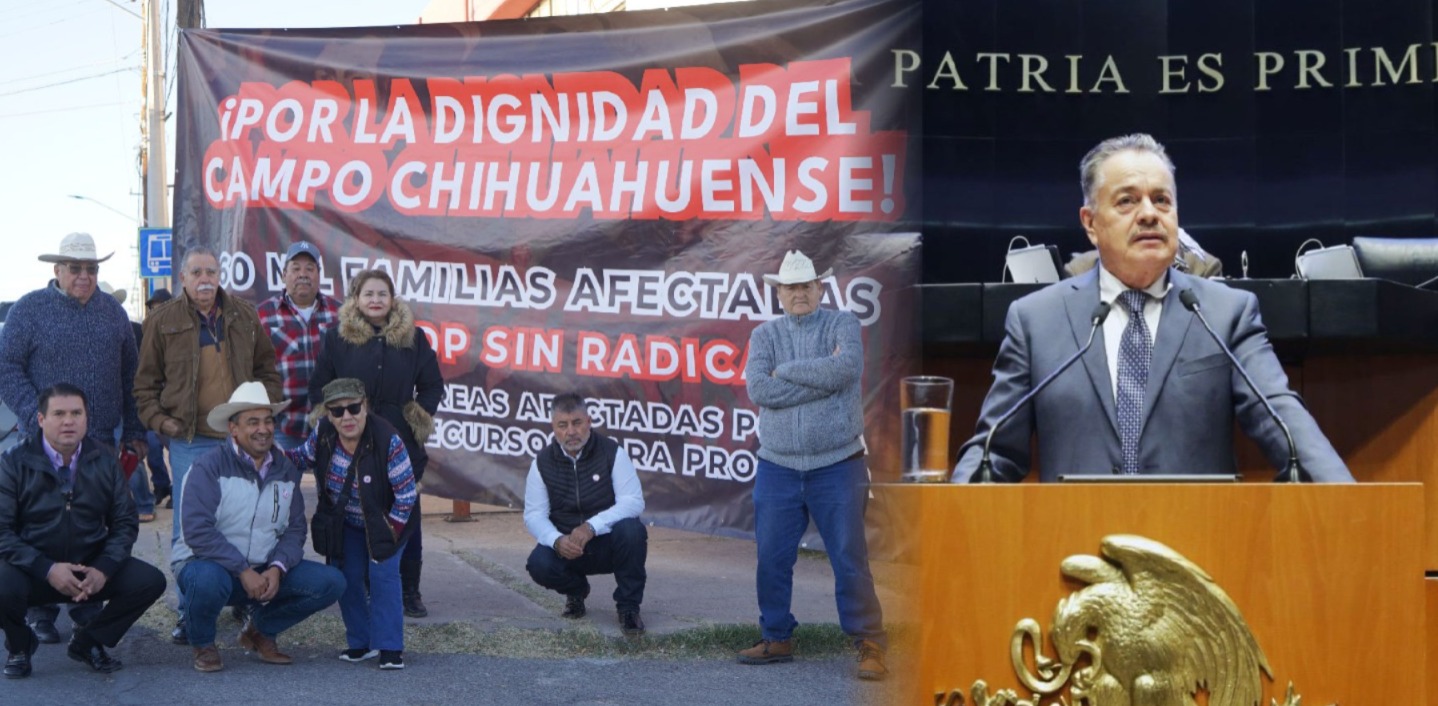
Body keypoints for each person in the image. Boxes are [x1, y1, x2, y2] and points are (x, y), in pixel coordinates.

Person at [952, 133, 1353, 483]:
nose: (1149, 213)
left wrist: (1347, 503)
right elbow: (994, 452)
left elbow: (1285, 425)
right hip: (1073, 548)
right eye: (1127, 201)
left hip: (1196, 551)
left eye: (1162, 200)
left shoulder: (1225, 313)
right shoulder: (1036, 321)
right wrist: (950, 520)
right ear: (1090, 223)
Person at [739, 249, 888, 680]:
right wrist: (818, 380)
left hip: (838, 463)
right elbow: (760, 392)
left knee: (849, 557)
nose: (799, 293)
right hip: (777, 465)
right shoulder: (765, 336)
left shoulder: (843, 323)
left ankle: (870, 643)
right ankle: (776, 636)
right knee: (771, 556)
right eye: (791, 287)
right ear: (779, 294)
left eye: (807, 285)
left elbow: (847, 369)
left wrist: (786, 371)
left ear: (820, 288)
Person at [0, 232, 147, 644]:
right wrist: (35, 415)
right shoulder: (29, 310)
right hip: (41, 443)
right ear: (58, 270)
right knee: (39, 523)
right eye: (76, 268)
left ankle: (86, 602)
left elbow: (129, 377)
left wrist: (134, 429)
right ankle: (40, 610)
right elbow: (7, 367)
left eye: (92, 269)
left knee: (93, 525)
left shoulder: (113, 313)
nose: (85, 276)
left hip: (99, 441)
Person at [134, 246, 283, 644]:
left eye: (211, 271)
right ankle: (189, 612)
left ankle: (246, 601)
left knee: (249, 522)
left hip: (242, 440)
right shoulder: (162, 321)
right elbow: (144, 385)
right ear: (182, 278)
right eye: (196, 271)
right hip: (192, 441)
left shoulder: (243, 315)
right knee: (190, 530)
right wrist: (162, 421)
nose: (205, 278)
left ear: (220, 276)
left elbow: (267, 369)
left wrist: (258, 415)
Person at [170, 382, 345, 673]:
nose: (263, 429)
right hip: (208, 565)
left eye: (267, 421)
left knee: (332, 582)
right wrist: (243, 570)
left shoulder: (285, 468)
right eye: (252, 422)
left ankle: (260, 631)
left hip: (262, 568)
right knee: (207, 579)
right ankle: (203, 642)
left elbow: (295, 529)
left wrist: (277, 568)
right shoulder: (208, 467)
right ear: (233, 429)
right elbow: (198, 532)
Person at [0, 384, 166, 678]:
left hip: (89, 569)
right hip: (33, 571)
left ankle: (88, 642)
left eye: (76, 413)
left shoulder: (105, 459)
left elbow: (125, 522)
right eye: (59, 413)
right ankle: (20, 644)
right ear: (41, 419)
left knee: (150, 581)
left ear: (86, 418)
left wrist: (103, 568)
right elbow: (2, 532)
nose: (68, 421)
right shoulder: (12, 462)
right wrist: (47, 568)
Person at [310, 269, 441, 619]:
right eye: (368, 293)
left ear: (393, 298)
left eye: (382, 293)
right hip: (350, 440)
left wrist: (415, 418)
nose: (375, 300)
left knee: (405, 512)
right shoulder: (336, 339)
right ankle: (356, 586)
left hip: (399, 439)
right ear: (356, 299)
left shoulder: (415, 338)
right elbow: (320, 387)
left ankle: (409, 589)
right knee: (355, 512)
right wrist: (337, 422)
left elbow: (432, 385)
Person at [288, 378, 417, 670]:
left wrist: (389, 534)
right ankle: (360, 642)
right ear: (328, 415)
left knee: (383, 575)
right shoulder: (322, 434)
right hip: (346, 521)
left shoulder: (388, 439)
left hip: (388, 520)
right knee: (346, 576)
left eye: (353, 408)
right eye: (337, 411)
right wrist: (269, 455)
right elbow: (299, 459)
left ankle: (390, 648)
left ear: (366, 406)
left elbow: (407, 495)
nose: (346, 417)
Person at [523, 392, 647, 636]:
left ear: (588, 422)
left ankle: (629, 608)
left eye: (577, 423)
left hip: (606, 543)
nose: (571, 431)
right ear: (553, 427)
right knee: (538, 563)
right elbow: (534, 515)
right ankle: (576, 591)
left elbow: (634, 502)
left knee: (632, 530)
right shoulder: (542, 462)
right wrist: (556, 541)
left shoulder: (612, 452)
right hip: (568, 548)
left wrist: (591, 526)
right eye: (563, 425)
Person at [257, 242, 341, 451]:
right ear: (284, 274)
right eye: (296, 268)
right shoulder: (263, 315)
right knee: (280, 485)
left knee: (333, 485)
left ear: (319, 275)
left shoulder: (340, 313)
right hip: (283, 426)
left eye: (310, 269)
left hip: (331, 424)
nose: (303, 274)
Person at [141, 288, 174, 509]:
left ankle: (178, 492)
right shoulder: (145, 332)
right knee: (152, 448)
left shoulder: (179, 331)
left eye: (160, 306)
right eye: (153, 307)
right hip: (153, 404)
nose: (156, 310)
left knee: (176, 452)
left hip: (174, 405)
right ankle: (161, 486)